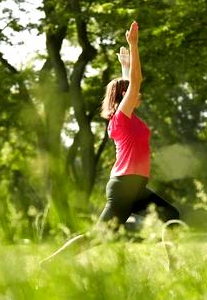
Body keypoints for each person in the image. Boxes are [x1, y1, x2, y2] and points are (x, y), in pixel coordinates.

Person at [40, 21, 179, 265]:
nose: (139, 94)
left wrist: (125, 66)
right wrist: (134, 46)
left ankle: (174, 267)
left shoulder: (129, 117)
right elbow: (134, 84)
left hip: (135, 187)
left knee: (171, 215)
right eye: (131, 93)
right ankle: (49, 264)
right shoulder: (121, 119)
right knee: (98, 236)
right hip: (124, 187)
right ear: (123, 98)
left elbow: (131, 84)